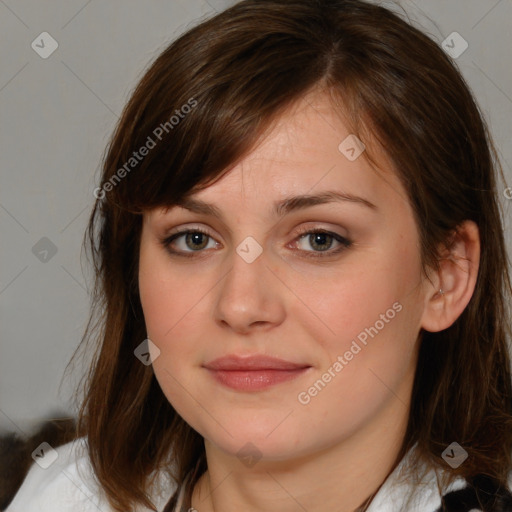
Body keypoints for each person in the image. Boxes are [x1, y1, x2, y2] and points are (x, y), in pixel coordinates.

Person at [5, 0, 512, 511]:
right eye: (194, 239)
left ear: (446, 275)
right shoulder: (61, 495)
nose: (241, 306)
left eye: (319, 239)